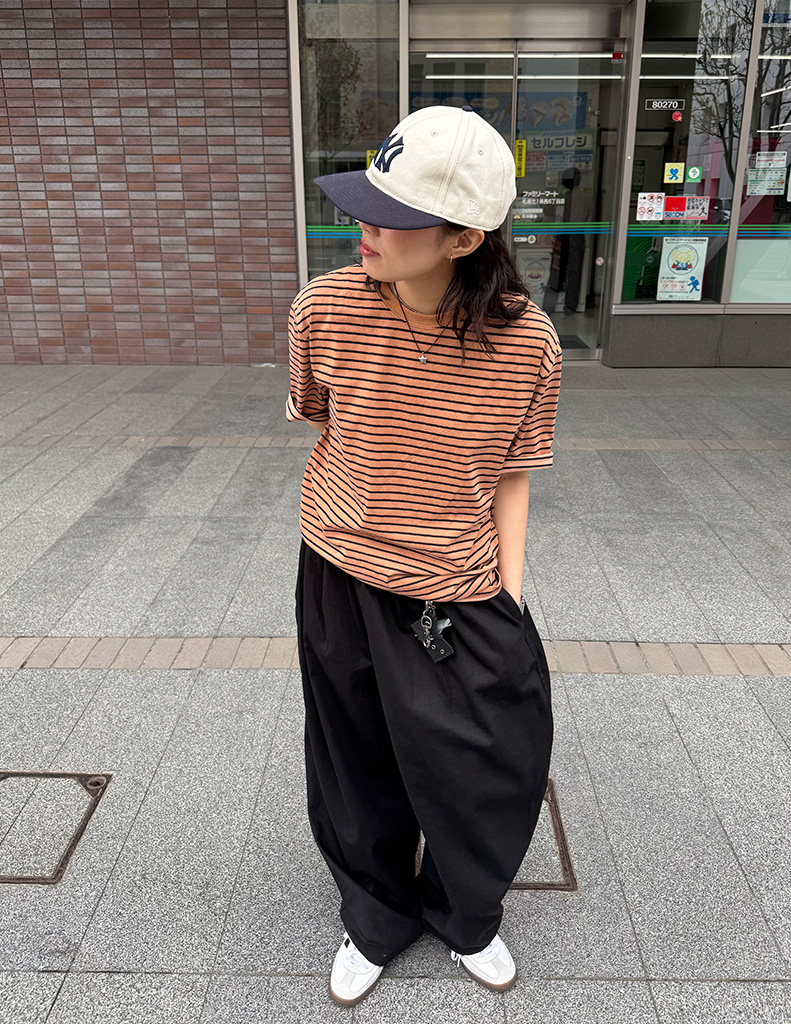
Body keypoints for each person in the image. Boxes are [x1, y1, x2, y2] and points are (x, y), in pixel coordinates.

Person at [286, 104, 562, 1006]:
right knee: (353, 759)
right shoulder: (324, 309)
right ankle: (374, 918)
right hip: (339, 574)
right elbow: (330, 427)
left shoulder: (528, 343)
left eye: (391, 216)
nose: (362, 228)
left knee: (488, 763)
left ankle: (464, 914)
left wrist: (509, 599)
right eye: (364, 204)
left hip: (461, 587)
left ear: (464, 237)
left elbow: (514, 474)